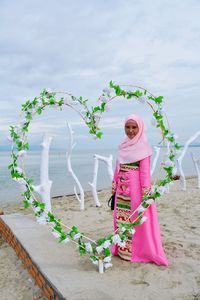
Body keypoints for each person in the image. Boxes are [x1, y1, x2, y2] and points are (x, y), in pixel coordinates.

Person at [111, 114, 169, 266]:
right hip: (121, 189)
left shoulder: (143, 147)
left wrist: (145, 191)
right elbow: (118, 166)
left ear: (140, 128)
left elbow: (144, 172)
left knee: (135, 217)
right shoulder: (123, 145)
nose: (130, 130)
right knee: (121, 216)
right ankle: (122, 249)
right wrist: (114, 181)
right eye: (127, 127)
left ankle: (136, 251)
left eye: (134, 127)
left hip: (136, 189)